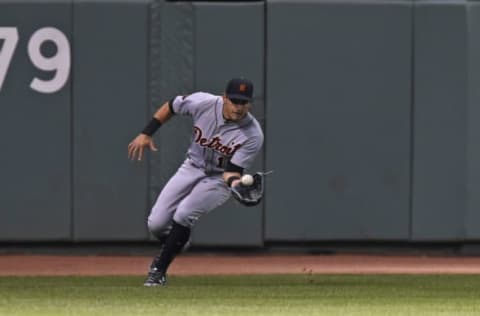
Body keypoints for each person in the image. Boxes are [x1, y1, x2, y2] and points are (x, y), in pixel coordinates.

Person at [127, 78, 264, 286]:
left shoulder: (253, 134)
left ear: (249, 103)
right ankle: (179, 240)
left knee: (183, 215)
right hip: (192, 166)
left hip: (219, 179)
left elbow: (231, 172)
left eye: (243, 102)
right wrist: (147, 132)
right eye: (234, 100)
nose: (238, 107)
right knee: (156, 224)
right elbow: (172, 105)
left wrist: (236, 185)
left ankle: (158, 270)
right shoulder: (204, 102)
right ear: (224, 97)